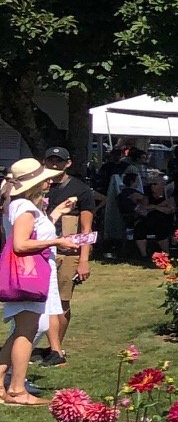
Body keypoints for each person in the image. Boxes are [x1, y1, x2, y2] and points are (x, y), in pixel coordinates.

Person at [4, 159, 81, 405]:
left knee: (24, 329)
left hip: (30, 274)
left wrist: (57, 212)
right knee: (28, 330)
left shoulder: (18, 204)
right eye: (44, 178)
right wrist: (58, 242)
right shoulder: (25, 207)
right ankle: (17, 389)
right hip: (29, 275)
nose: (49, 181)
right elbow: (21, 243)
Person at [39, 149, 95, 367]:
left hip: (68, 252)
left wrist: (83, 259)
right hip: (43, 249)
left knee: (62, 301)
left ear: (68, 163)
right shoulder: (39, 187)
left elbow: (86, 228)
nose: (54, 164)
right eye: (51, 160)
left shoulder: (80, 189)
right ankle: (49, 347)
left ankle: (56, 349)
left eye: (59, 160)